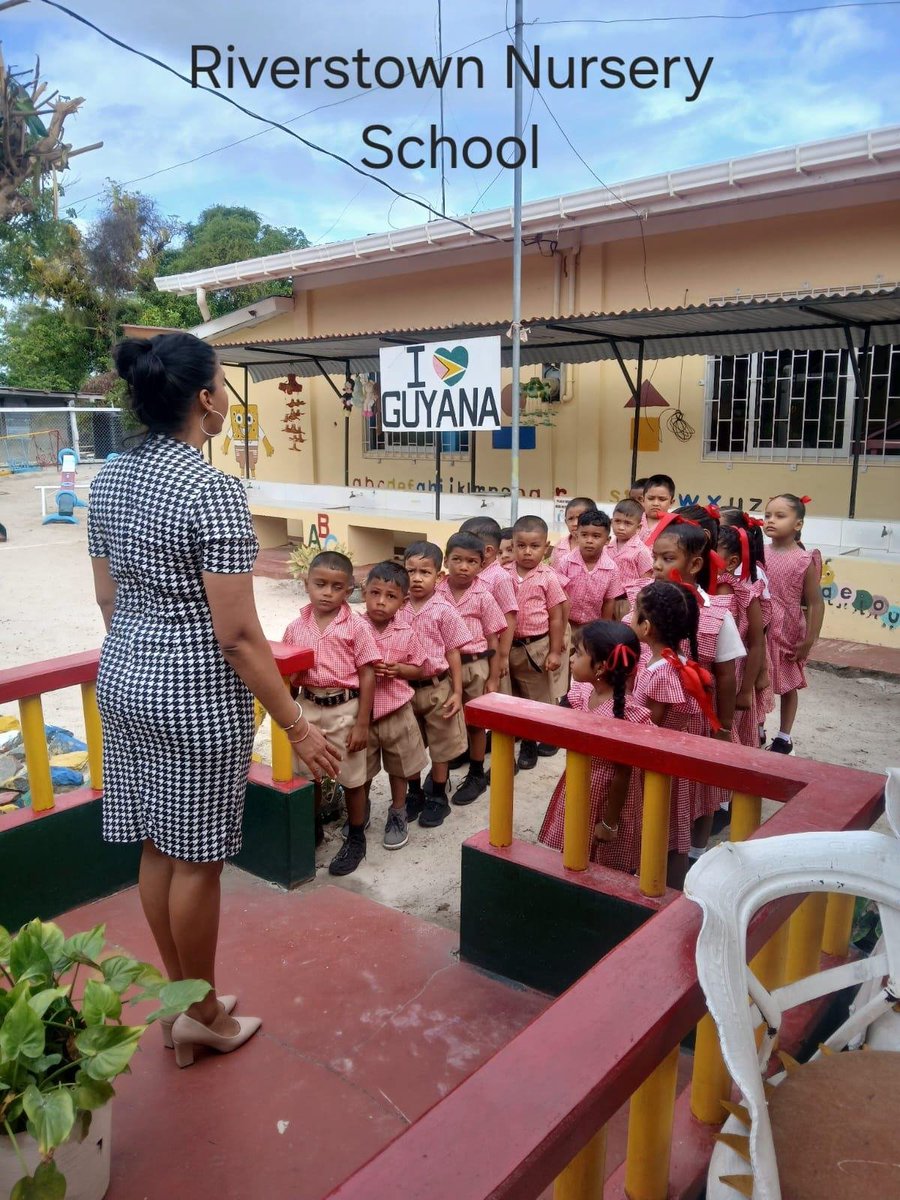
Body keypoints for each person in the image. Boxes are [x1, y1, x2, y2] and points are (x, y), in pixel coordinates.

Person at [88, 332, 340, 1069]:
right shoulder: (211, 490)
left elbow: (107, 597)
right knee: (196, 862)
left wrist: (144, 655)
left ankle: (183, 1002)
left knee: (157, 847)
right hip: (194, 698)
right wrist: (295, 725)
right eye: (223, 385)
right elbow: (237, 634)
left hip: (124, 681)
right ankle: (199, 1013)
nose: (225, 397)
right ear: (204, 400)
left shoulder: (110, 478)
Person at [647, 508, 747, 857]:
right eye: (655, 558)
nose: (657, 566)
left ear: (695, 564)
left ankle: (695, 852)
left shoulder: (715, 612)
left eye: (668, 559)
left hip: (698, 723)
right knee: (657, 786)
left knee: (700, 792)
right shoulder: (643, 602)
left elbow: (726, 675)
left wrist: (724, 727)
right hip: (652, 718)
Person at [283, 551, 380, 877]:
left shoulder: (357, 626)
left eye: (337, 587)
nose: (327, 593)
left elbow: (368, 673)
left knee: (351, 777)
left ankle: (356, 837)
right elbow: (288, 673)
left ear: (349, 589)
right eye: (320, 584)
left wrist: (362, 723)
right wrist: (289, 715)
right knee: (307, 775)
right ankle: (312, 829)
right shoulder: (296, 627)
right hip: (308, 706)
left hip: (345, 708)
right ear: (306, 583)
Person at [537, 621, 652, 874]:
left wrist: (610, 823)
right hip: (580, 783)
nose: (571, 658)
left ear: (600, 667)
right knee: (574, 849)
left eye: (578, 653)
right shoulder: (582, 692)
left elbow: (623, 773)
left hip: (607, 798)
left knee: (602, 863)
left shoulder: (624, 715)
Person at [631, 581, 719, 888]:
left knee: (666, 836)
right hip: (670, 761)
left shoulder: (662, 672)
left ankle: (666, 896)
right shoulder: (675, 661)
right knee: (670, 834)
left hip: (658, 767)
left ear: (646, 627)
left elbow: (650, 727)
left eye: (635, 612)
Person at [360, 562, 430, 851]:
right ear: (364, 592)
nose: (381, 602)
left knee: (399, 767)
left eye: (390, 596)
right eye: (375, 593)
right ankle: (359, 810)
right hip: (362, 714)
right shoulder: (353, 627)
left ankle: (398, 811)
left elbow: (420, 667)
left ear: (403, 602)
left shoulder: (407, 632)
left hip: (396, 711)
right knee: (360, 769)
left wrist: (400, 669)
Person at [402, 542, 469, 828]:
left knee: (441, 745)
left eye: (425, 572)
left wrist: (457, 691)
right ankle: (414, 792)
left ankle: (438, 796)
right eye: (411, 571)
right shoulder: (397, 606)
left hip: (437, 687)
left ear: (439, 576)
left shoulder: (444, 610)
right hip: (403, 690)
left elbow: (453, 652)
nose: (417, 578)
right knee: (409, 744)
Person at [438, 533, 507, 804]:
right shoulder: (436, 592)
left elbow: (493, 638)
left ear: (481, 565)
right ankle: (441, 771)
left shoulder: (484, 596)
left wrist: (493, 677)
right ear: (446, 560)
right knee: (444, 719)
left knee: (476, 723)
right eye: (457, 560)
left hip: (475, 665)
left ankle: (476, 773)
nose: (463, 567)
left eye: (471, 561)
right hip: (444, 668)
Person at [763, 494, 824, 754]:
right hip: (761, 627)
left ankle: (784, 738)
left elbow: (816, 603)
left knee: (787, 685)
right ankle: (757, 728)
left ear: (798, 524)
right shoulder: (759, 552)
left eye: (780, 516)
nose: (771, 521)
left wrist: (810, 639)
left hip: (788, 631)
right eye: (767, 515)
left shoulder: (804, 559)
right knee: (758, 680)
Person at [506, 515, 568, 770]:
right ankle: (519, 736)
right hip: (507, 647)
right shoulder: (502, 574)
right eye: (521, 546)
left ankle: (530, 743)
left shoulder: (548, 577)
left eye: (534, 546)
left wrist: (554, 651)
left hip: (536, 647)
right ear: (512, 545)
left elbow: (556, 618)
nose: (527, 552)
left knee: (535, 699)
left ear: (546, 547)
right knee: (513, 697)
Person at [716, 517, 770, 749]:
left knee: (731, 735)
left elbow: (757, 643)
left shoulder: (746, 596)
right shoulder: (700, 591)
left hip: (736, 678)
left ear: (732, 562)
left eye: (713, 552)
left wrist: (746, 690)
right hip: (710, 678)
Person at [459, 516, 518, 697]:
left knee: (492, 699)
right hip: (466, 656)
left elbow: (509, 617)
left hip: (490, 656)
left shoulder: (500, 577)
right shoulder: (471, 575)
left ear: (488, 550)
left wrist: (503, 657)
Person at [555, 508, 625, 634]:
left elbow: (609, 601)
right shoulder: (565, 562)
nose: (589, 540)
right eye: (584, 535)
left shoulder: (611, 568)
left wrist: (604, 629)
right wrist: (560, 627)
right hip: (566, 624)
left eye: (596, 536)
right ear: (577, 536)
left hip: (593, 626)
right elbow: (557, 597)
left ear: (607, 540)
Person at [608, 498, 654, 609]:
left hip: (629, 602)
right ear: (611, 521)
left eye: (628, 523)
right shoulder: (606, 547)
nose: (621, 527)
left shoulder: (641, 550)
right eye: (617, 521)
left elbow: (646, 581)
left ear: (638, 527)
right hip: (608, 600)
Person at [549, 496, 596, 570]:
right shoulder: (559, 546)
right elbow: (553, 571)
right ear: (566, 522)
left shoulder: (600, 546)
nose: (575, 523)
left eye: (580, 518)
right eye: (570, 519)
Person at [641, 474, 676, 540]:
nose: (655, 503)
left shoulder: (674, 525)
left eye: (662, 499)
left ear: (671, 502)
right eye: (651, 498)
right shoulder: (633, 521)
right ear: (643, 500)